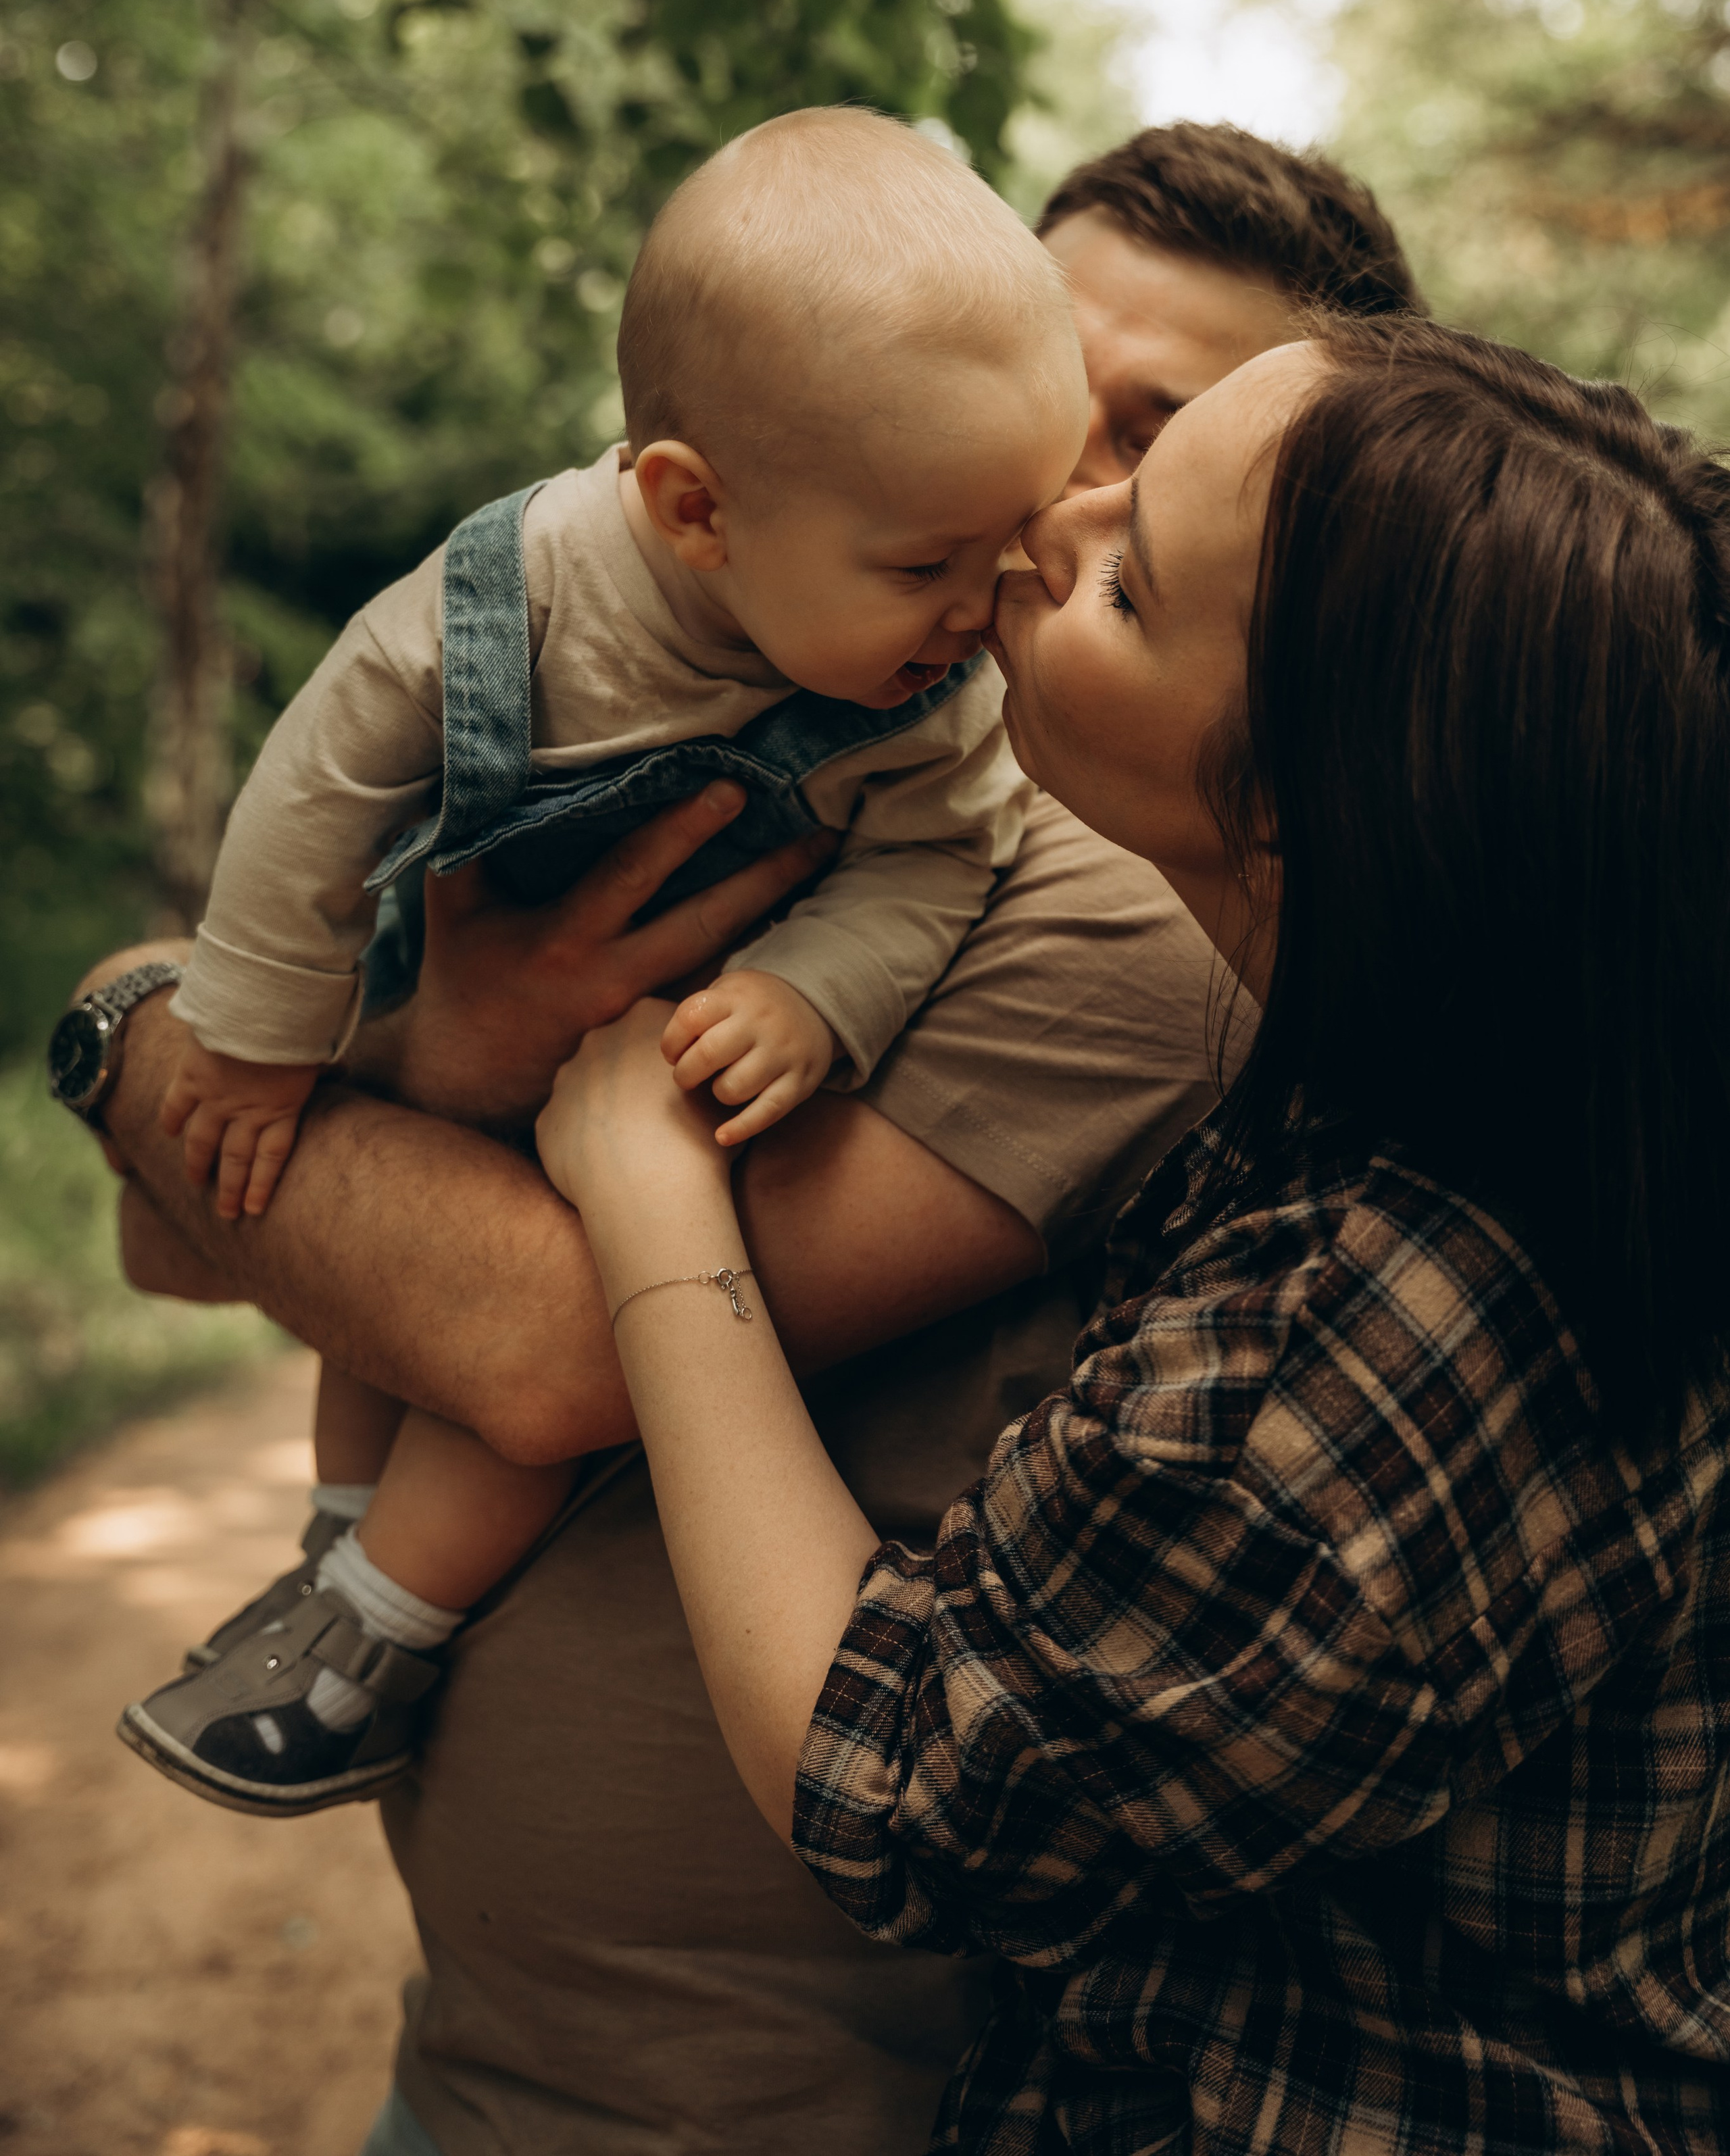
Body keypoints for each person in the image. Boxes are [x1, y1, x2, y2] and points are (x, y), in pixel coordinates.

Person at [62, 126, 1420, 2153]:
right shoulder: (759, 696)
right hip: (489, 2054)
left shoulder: (1145, 908)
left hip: (764, 2093)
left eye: (1156, 448)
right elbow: (184, 1248)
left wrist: (128, 1028)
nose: (1053, 517)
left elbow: (546, 1334)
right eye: (1055, 409)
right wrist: (421, 1042)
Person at [540, 319, 1730, 2155]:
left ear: (1302, 807)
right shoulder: (1541, 1073)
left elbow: (906, 1769)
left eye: (1132, 575)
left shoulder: (1359, 1366)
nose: (1048, 527)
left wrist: (650, 1193)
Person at [116, 109, 1087, 1816]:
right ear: (692, 506)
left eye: (1016, 536)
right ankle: (332, 1550)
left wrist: (816, 989)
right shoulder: (516, 600)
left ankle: (374, 1624)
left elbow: (940, 855)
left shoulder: (937, 693)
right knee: (385, 1301)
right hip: (455, 1001)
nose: (984, 606)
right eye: (928, 563)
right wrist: (260, 1029)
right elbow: (320, 780)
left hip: (673, 1068)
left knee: (524, 1341)